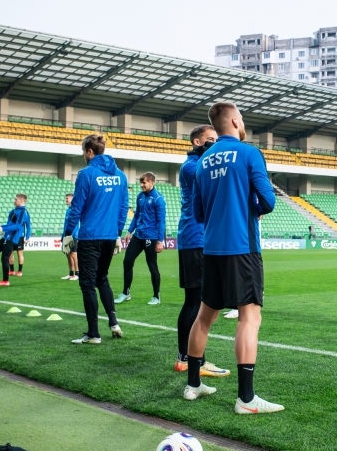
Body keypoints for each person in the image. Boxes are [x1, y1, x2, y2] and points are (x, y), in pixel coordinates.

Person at [183, 101, 282, 415]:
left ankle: (194, 384)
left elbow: (198, 213)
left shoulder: (203, 161)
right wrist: (247, 206)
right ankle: (246, 399)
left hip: (210, 249)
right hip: (242, 247)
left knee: (204, 317)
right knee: (249, 318)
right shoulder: (250, 153)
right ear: (236, 120)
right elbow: (268, 202)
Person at [174, 124, 231, 378]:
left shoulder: (196, 164)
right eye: (210, 140)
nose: (214, 144)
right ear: (197, 143)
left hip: (196, 238)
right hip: (195, 238)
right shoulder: (191, 167)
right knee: (196, 302)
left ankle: (186, 358)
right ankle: (192, 360)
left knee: (195, 301)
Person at [63, 134, 128, 345]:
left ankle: (93, 334)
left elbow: (76, 207)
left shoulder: (86, 174)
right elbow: (123, 207)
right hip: (110, 236)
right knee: (103, 279)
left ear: (90, 152)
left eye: (84, 151)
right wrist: (118, 233)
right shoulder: (120, 175)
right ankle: (114, 323)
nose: (83, 155)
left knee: (88, 283)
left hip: (90, 237)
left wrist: (67, 233)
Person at [115, 172, 165, 305]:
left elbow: (161, 222)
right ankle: (126, 293)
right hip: (138, 235)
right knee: (127, 261)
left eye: (144, 182)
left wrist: (160, 240)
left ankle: (156, 296)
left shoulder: (158, 199)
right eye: (141, 182)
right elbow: (137, 215)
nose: (142, 185)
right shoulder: (140, 197)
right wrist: (130, 230)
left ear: (152, 182)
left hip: (151, 237)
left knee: (152, 266)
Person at [7, 195, 31, 277]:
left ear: (21, 200)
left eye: (16, 199)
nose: (14, 200)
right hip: (11, 236)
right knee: (10, 253)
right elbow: (8, 224)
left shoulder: (25, 212)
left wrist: (27, 237)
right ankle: (12, 270)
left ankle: (20, 271)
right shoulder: (12, 212)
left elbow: (28, 225)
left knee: (19, 253)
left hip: (20, 236)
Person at [61, 193, 79, 281]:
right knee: (68, 254)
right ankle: (71, 273)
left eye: (67, 198)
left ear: (72, 199)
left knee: (74, 254)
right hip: (66, 235)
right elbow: (66, 224)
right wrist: (63, 236)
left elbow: (75, 224)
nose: (66, 200)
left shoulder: (75, 210)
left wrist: (71, 235)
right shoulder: (68, 210)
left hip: (73, 236)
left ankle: (78, 273)